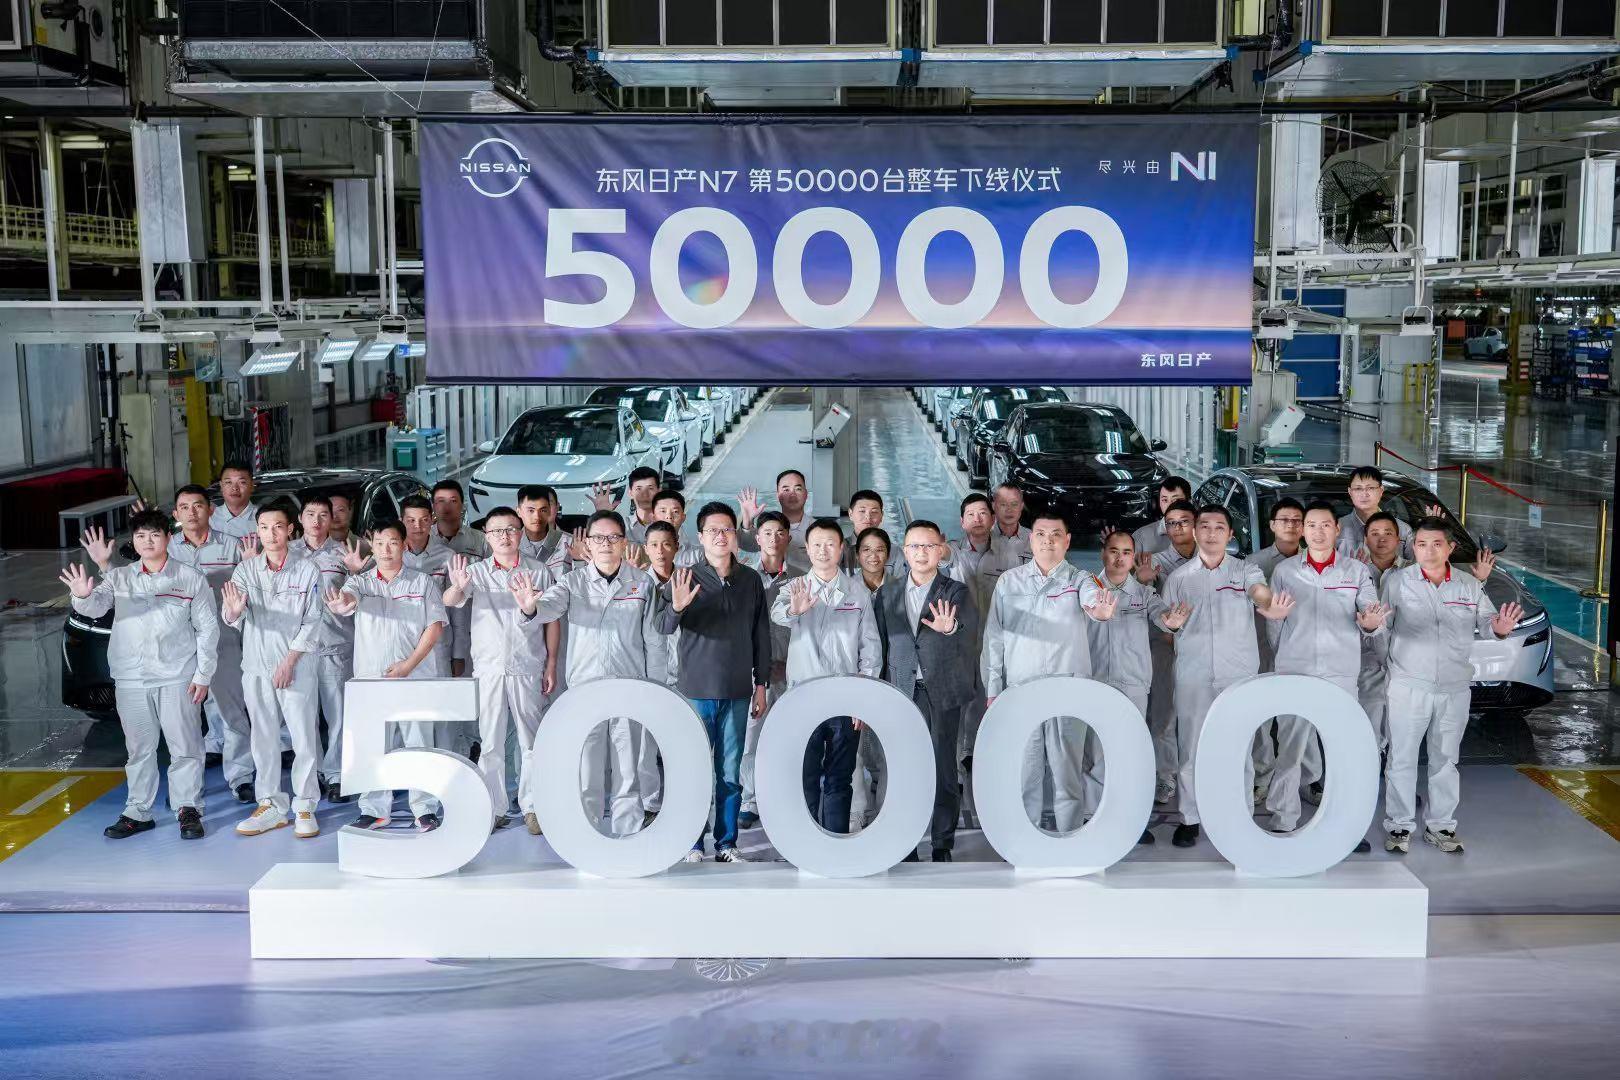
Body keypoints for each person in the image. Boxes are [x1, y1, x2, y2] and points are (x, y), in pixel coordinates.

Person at [80, 485, 255, 804]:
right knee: (185, 729)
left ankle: (240, 777)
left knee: (230, 712)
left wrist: (250, 567)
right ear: (175, 515)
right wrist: (102, 569)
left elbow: (245, 590)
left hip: (222, 638)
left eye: (198, 505)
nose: (192, 512)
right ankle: (180, 795)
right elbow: (128, 588)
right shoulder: (165, 547)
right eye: (184, 507)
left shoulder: (233, 546)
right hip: (178, 648)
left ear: (210, 509)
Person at [61, 508, 218, 841]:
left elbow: (207, 629)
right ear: (133, 541)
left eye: (155, 535)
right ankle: (138, 812)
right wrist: (81, 594)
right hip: (131, 678)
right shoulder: (120, 578)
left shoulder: (190, 578)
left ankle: (188, 808)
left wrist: (203, 675)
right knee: (139, 749)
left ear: (168, 538)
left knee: (185, 746)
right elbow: (95, 607)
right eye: (140, 536)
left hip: (177, 676)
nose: (147, 541)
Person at [1378, 518, 1520, 854]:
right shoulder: (1397, 582)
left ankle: (1440, 825)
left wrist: (1500, 629)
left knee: (1445, 759)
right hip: (1408, 685)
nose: (1428, 551)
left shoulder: (1469, 585)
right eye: (1421, 544)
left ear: (1450, 548)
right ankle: (1399, 826)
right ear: (1413, 548)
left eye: (1436, 544)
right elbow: (1382, 628)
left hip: (1454, 688)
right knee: (1401, 758)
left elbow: (1487, 623)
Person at [1154, 505, 1292, 848]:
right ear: (1195, 532)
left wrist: (1268, 604)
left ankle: (1239, 816)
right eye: (1205, 526)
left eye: (1219, 527)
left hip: (1237, 676)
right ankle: (1190, 818)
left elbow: (1259, 593)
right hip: (1193, 675)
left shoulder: (1245, 570)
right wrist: (1170, 624)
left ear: (1230, 534)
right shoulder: (1179, 578)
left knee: (1239, 747)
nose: (1211, 533)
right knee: (1191, 749)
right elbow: (1168, 625)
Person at [529, 510, 667, 838]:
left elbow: (653, 640)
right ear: (588, 544)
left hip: (629, 686)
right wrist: (530, 606)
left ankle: (627, 834)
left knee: (627, 768)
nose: (606, 543)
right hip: (585, 689)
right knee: (587, 767)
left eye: (613, 537)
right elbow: (548, 607)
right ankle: (587, 835)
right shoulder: (573, 582)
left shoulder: (642, 582)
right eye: (599, 538)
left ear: (624, 542)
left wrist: (656, 687)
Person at [981, 512, 1118, 834]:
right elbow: (994, 638)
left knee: (1067, 777)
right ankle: (1024, 842)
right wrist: (993, 688)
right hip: (1021, 692)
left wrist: (1099, 610)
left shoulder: (1081, 580)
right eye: (1041, 534)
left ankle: (1069, 840)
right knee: (1024, 774)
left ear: (1067, 541)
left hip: (1067, 694)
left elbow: (1093, 602)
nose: (1048, 541)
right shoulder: (1009, 582)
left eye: (1056, 534)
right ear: (1031, 539)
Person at [1264, 502, 1389, 849]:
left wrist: (1370, 625)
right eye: (1311, 525)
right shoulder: (1286, 571)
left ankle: (1346, 824)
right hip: (1295, 670)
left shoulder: (1356, 571)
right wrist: (1285, 659)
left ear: (1337, 530)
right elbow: (1275, 625)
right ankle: (1283, 818)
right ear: (1303, 531)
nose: (1318, 532)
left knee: (1341, 750)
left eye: (1325, 525)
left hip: (1340, 673)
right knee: (1290, 748)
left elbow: (1369, 612)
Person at [662, 502, 772, 863]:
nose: (721, 536)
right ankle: (692, 842)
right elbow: (663, 626)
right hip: (696, 690)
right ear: (700, 536)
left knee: (729, 773)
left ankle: (726, 843)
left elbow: (761, 634)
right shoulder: (685, 577)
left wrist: (761, 684)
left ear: (735, 535)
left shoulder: (750, 580)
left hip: (738, 690)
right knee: (694, 770)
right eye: (713, 530)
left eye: (727, 529)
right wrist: (677, 606)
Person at [323, 520, 448, 832]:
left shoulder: (422, 583)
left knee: (419, 743)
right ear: (372, 546)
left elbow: (434, 627)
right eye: (379, 543)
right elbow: (347, 602)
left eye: (392, 542)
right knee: (372, 745)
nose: (386, 550)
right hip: (372, 680)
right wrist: (341, 603)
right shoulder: (360, 583)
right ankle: (374, 810)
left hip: (414, 678)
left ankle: (424, 809)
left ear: (404, 545)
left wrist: (408, 665)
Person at [441, 506, 556, 834]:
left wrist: (551, 662)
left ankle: (533, 806)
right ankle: (493, 808)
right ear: (487, 537)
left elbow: (551, 619)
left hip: (528, 665)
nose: (504, 536)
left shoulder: (539, 571)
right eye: (496, 531)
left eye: (510, 530)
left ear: (520, 533)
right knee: (490, 742)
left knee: (531, 741)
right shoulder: (476, 572)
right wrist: (458, 586)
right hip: (489, 667)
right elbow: (450, 600)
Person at [771, 518, 882, 834]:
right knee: (804, 773)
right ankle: (805, 843)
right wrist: (794, 611)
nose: (823, 550)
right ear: (806, 549)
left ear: (841, 548)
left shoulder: (857, 592)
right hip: (803, 695)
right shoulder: (794, 587)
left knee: (840, 776)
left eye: (830, 544)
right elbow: (777, 614)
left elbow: (870, 647)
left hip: (845, 698)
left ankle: (834, 840)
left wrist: (863, 698)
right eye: (817, 544)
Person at [221, 505, 326, 839]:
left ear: (290, 529)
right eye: (264, 527)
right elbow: (233, 617)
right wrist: (232, 612)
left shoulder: (308, 570)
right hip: (256, 666)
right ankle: (270, 805)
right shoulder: (245, 570)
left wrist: (289, 662)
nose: (271, 533)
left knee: (303, 736)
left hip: (297, 666)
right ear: (257, 531)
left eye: (278, 526)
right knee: (263, 737)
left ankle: (305, 805)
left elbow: (313, 620)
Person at [878, 520, 978, 862]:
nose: (921, 553)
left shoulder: (956, 591)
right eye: (914, 546)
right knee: (905, 767)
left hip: (941, 691)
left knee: (943, 768)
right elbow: (882, 644)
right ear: (904, 552)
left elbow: (967, 631)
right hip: (902, 690)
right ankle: (906, 841)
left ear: (940, 550)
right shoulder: (888, 593)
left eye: (928, 546)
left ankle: (941, 842)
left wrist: (950, 628)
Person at [1087, 528, 1164, 845]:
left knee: (1130, 752)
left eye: (1126, 552)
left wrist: (1172, 621)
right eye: (1113, 551)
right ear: (1103, 553)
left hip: (1132, 682)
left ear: (1134, 558)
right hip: (1094, 681)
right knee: (1096, 752)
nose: (1119, 558)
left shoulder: (1144, 594)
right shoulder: (1087, 588)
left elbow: (1163, 616)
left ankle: (1132, 820)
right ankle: (1095, 818)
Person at [285, 494, 353, 802]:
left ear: (331, 519)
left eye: (323, 514)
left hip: (334, 645)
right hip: (298, 650)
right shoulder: (286, 553)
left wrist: (355, 571)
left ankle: (336, 775)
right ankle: (312, 775)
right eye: (310, 514)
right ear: (300, 519)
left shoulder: (344, 554)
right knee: (305, 717)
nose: (316, 520)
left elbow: (360, 595)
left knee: (338, 715)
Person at [736, 510, 793, 831]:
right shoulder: (743, 577)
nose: (773, 538)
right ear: (756, 539)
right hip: (752, 672)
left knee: (787, 736)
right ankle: (751, 797)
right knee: (751, 738)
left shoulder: (802, 578)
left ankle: (784, 795)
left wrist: (792, 663)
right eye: (767, 532)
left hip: (789, 671)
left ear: (788, 538)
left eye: (779, 532)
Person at [1249, 497, 1307, 805]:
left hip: (1298, 651)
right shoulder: (1253, 563)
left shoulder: (1313, 560)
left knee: (1298, 717)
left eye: (1297, 520)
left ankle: (1305, 780)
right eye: (1285, 520)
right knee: (1261, 717)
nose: (1291, 525)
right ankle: (1262, 776)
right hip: (1260, 650)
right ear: (1272, 525)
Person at [1143, 498, 1198, 804]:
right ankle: (1165, 775)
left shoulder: (1211, 559)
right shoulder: (1154, 563)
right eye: (1171, 523)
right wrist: (1141, 579)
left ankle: (1200, 773)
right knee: (1163, 715)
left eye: (1184, 522)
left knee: (1198, 716)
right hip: (1165, 648)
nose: (1177, 528)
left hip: (1201, 649)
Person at [850, 525, 893, 829]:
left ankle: (885, 812)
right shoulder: (848, 589)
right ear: (857, 555)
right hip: (857, 678)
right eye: (866, 550)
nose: (873, 556)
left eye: (879, 550)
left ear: (888, 554)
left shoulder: (900, 589)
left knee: (885, 748)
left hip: (892, 678)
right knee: (854, 752)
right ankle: (857, 812)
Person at [1355, 511, 1410, 750]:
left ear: (1398, 539)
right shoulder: (1353, 570)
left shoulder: (1413, 572)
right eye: (1375, 533)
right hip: (1363, 660)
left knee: (1401, 733)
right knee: (1367, 730)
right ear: (1365, 539)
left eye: (1388, 533)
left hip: (1401, 660)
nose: (1382, 539)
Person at [1338, 466, 1422, 559]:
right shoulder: (1337, 529)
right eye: (1358, 488)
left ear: (1381, 490)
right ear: (1350, 492)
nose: (1364, 494)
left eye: (1370, 488)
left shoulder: (1402, 530)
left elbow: (1415, 566)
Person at [738, 469, 811, 572]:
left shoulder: (818, 529)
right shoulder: (767, 526)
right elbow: (746, 545)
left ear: (806, 494)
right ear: (778, 495)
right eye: (786, 489)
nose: (792, 494)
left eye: (798, 489)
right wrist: (747, 521)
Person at [1107, 476, 1192, 556]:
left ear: (1189, 501)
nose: (1169, 505)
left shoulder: (1199, 531)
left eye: (1176, 500)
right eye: (1164, 500)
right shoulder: (1141, 536)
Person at [841, 490, 906, 577]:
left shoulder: (895, 551)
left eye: (874, 512)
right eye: (862, 511)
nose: (868, 517)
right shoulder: (839, 549)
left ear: (882, 515)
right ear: (850, 514)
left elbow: (901, 582)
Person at [431, 480, 490, 560]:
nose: (447, 507)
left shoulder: (481, 540)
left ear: (462, 505)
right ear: (433, 506)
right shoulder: (421, 539)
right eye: (441, 501)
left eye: (453, 501)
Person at [653, 489, 704, 568]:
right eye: (663, 511)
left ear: (683, 517)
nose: (669, 516)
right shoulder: (641, 550)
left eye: (675, 511)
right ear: (653, 517)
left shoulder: (697, 553)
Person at [210, 461, 259, 542]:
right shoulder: (209, 518)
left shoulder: (264, 518)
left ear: (251, 486)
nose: (235, 488)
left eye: (242, 482)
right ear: (221, 486)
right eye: (228, 482)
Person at [989, 483, 1032, 566]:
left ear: (1022, 506)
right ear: (993, 506)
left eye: (1014, 504)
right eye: (1003, 504)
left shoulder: (1034, 540)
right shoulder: (983, 538)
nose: (1009, 509)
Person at [624, 466, 663, 544]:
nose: (645, 495)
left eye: (650, 488)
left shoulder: (669, 523)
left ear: (659, 492)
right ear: (630, 493)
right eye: (639, 489)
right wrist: (603, 512)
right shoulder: (623, 526)